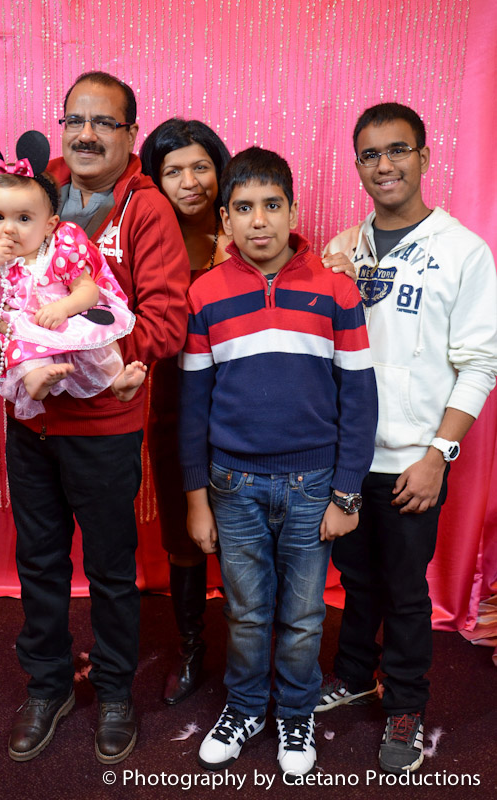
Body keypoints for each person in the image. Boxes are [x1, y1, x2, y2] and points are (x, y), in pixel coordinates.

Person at [0, 72, 189, 764]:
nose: (85, 134)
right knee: (38, 560)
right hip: (30, 423)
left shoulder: (145, 209)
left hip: (104, 426)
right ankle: (48, 685)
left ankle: (114, 691)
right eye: (74, 121)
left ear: (130, 133)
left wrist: (108, 362)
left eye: (104, 122)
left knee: (112, 568)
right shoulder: (31, 187)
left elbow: (166, 318)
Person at [179, 147, 378, 778]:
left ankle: (295, 712)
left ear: (293, 211)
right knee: (245, 611)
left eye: (272, 205)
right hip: (232, 485)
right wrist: (196, 499)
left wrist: (346, 494)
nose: (259, 220)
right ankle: (244, 707)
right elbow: (193, 405)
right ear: (226, 219)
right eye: (243, 208)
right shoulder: (205, 295)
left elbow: (360, 398)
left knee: (302, 615)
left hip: (313, 485)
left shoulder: (336, 290)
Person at [320, 102, 497, 775]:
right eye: (370, 155)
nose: (384, 165)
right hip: (347, 456)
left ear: (424, 157)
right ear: (357, 165)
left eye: (397, 150)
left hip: (414, 460)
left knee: (403, 588)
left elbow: (479, 363)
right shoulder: (345, 247)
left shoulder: (462, 251)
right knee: (355, 578)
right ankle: (353, 675)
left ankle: (405, 704)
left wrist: (437, 457)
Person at [139, 119, 231, 705]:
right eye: (173, 171)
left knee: (252, 528)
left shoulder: (245, 225)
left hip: (248, 402)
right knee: (184, 531)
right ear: (155, 180)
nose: (190, 182)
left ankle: (255, 652)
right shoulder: (149, 237)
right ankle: (191, 646)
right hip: (175, 401)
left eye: (201, 166)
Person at [0, 133, 146, 419]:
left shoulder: (61, 248)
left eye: (23, 219)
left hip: (64, 318)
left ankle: (117, 380)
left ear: (49, 225)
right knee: (14, 334)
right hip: (25, 325)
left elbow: (89, 291)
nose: (8, 229)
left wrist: (65, 308)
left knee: (98, 328)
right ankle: (35, 379)